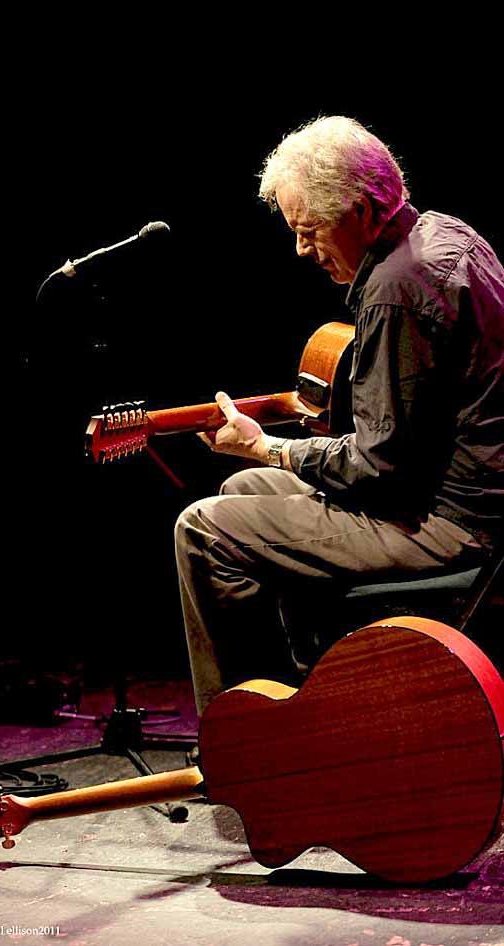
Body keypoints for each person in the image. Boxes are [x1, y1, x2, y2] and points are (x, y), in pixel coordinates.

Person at [175, 116, 503, 716]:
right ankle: (314, 698)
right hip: (451, 496)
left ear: (359, 209)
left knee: (204, 528)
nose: (302, 249)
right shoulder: (443, 234)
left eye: (310, 230)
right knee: (243, 491)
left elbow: (379, 469)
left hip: (449, 523)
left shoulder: (394, 289)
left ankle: (254, 732)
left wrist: (267, 446)